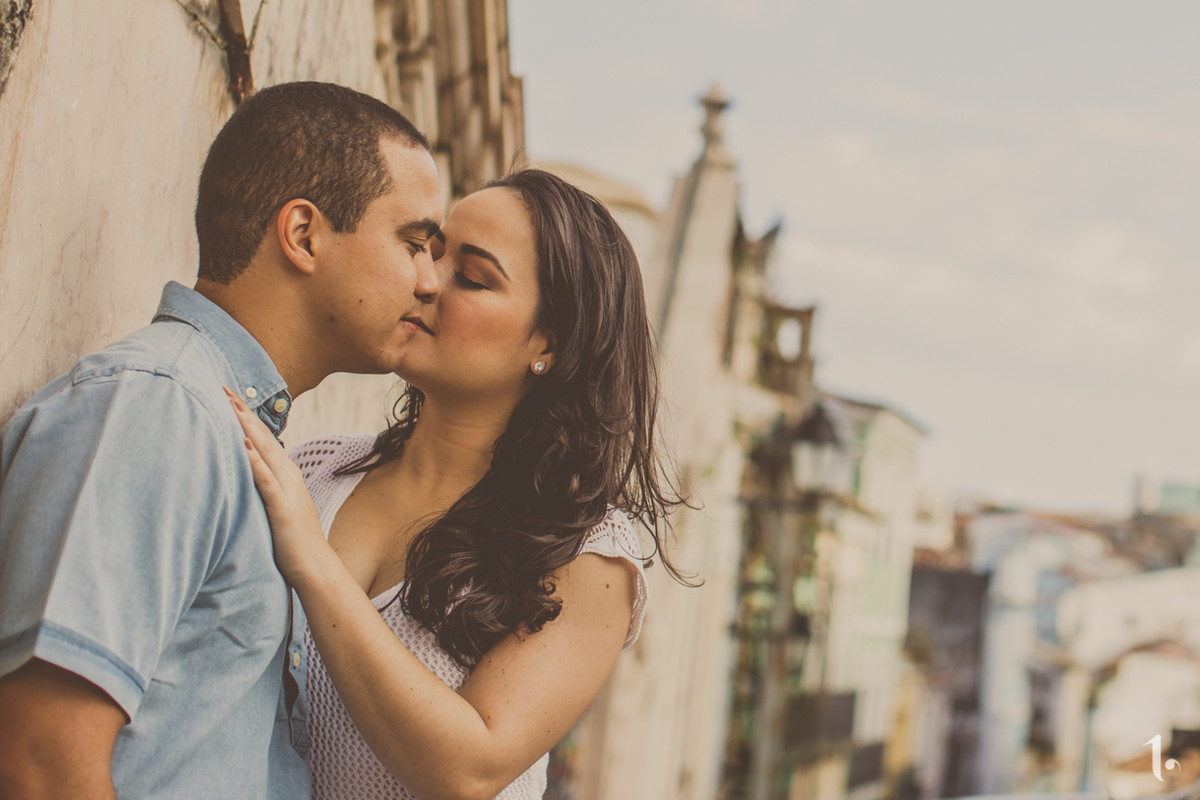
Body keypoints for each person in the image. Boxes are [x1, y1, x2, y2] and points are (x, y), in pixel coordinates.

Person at [0, 81, 442, 798]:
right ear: (304, 235)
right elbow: (42, 761)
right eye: (415, 244)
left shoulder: (229, 428)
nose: (431, 282)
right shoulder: (158, 409)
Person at [228, 168, 687, 800]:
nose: (424, 280)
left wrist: (314, 563)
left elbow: (467, 770)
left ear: (548, 345)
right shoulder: (314, 470)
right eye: (428, 251)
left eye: (471, 276)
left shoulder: (588, 556)